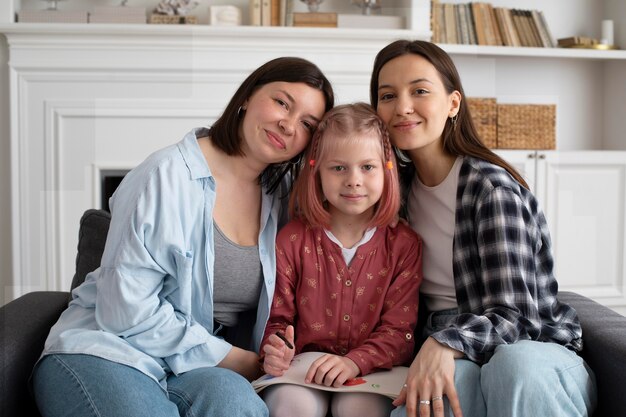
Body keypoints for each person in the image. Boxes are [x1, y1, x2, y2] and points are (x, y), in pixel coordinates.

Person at [31, 56, 334, 417]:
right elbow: (123, 311)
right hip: (108, 348)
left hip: (191, 367)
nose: (287, 125)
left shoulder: (282, 195)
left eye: (307, 124)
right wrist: (239, 359)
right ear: (246, 97)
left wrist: (279, 346)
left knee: (240, 407)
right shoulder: (163, 175)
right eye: (282, 102)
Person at [369, 40, 597, 417]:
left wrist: (445, 342)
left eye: (420, 91)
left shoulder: (490, 189)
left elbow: (516, 317)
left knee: (514, 367)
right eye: (387, 95)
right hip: (454, 347)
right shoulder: (393, 190)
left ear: (453, 103)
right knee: (440, 397)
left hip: (534, 350)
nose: (402, 107)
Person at [259, 103, 424, 417]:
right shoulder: (291, 239)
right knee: (292, 407)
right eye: (338, 168)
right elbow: (278, 318)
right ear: (316, 170)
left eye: (367, 167)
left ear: (387, 169)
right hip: (302, 371)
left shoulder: (404, 245)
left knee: (359, 409)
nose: (353, 180)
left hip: (373, 370)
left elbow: (399, 332)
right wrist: (276, 348)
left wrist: (354, 361)